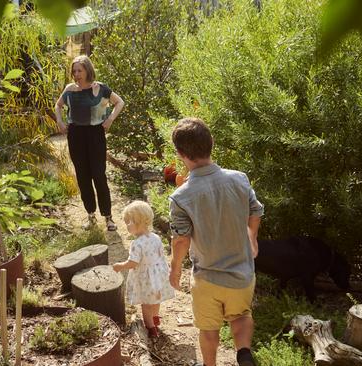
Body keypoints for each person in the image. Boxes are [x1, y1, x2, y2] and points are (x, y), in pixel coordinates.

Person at [168, 118, 263, 366]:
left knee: (208, 330)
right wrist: (252, 239)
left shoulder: (181, 197)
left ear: (180, 154)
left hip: (207, 278)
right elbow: (256, 211)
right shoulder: (239, 179)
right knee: (241, 316)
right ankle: (243, 352)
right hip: (241, 274)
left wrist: (175, 268)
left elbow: (181, 240)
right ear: (212, 143)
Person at [55, 55, 125, 231]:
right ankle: (90, 215)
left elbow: (119, 103)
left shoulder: (100, 88)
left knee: (99, 175)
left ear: (88, 70)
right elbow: (58, 105)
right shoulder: (70, 89)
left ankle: (108, 217)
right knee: (83, 176)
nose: (76, 74)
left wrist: (109, 119)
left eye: (80, 70)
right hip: (76, 135)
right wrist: (60, 122)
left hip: (95, 135)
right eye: (74, 71)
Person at [112, 200, 175, 338]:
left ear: (140, 222)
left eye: (129, 221)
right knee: (155, 300)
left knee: (146, 304)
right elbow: (160, 256)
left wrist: (120, 266)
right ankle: (155, 320)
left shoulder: (137, 244)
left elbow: (133, 263)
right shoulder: (156, 237)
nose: (127, 225)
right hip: (157, 274)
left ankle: (151, 328)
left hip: (146, 278)